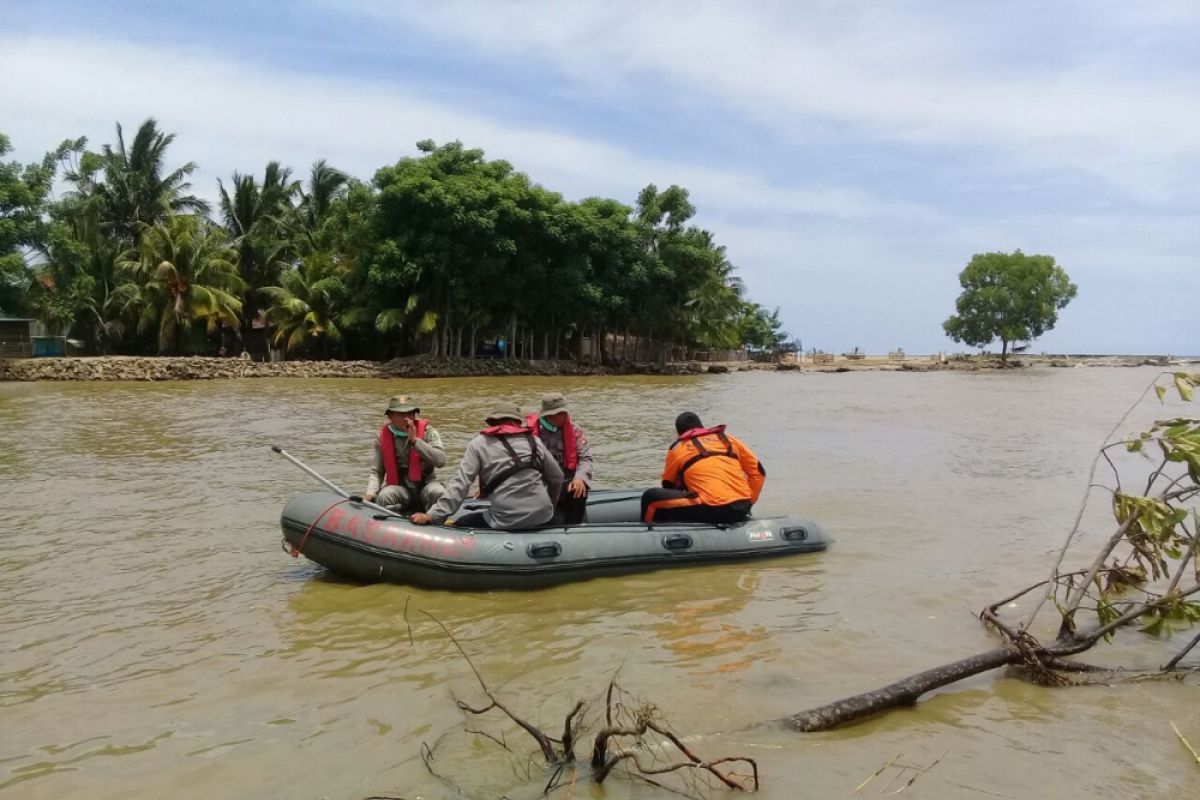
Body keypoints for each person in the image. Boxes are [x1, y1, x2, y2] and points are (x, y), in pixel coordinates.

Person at [411, 402, 563, 530]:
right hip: (544, 515)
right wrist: (550, 505)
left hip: (507, 519)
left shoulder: (479, 443)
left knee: (461, 525)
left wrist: (431, 515)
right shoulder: (534, 440)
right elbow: (557, 478)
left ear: (492, 422)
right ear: (517, 422)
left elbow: (460, 485)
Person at [640, 412, 766, 524]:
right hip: (742, 506)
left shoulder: (678, 448)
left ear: (679, 433)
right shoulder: (730, 440)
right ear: (701, 427)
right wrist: (749, 503)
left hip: (712, 508)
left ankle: (647, 537)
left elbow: (668, 485)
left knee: (650, 497)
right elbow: (759, 473)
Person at [365, 395, 447, 513]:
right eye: (401, 414)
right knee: (385, 495)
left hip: (426, 485)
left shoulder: (429, 432)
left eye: (410, 414)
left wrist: (415, 441)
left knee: (439, 493)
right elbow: (377, 471)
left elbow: (440, 461)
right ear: (390, 417)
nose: (406, 418)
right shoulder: (382, 437)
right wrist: (370, 493)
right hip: (400, 488)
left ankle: (434, 523)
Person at [527, 392, 593, 524]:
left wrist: (580, 478)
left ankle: (575, 527)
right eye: (558, 414)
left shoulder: (575, 430)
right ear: (548, 415)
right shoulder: (529, 433)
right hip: (540, 484)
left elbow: (585, 458)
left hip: (566, 483)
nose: (563, 416)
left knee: (579, 489)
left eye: (564, 412)